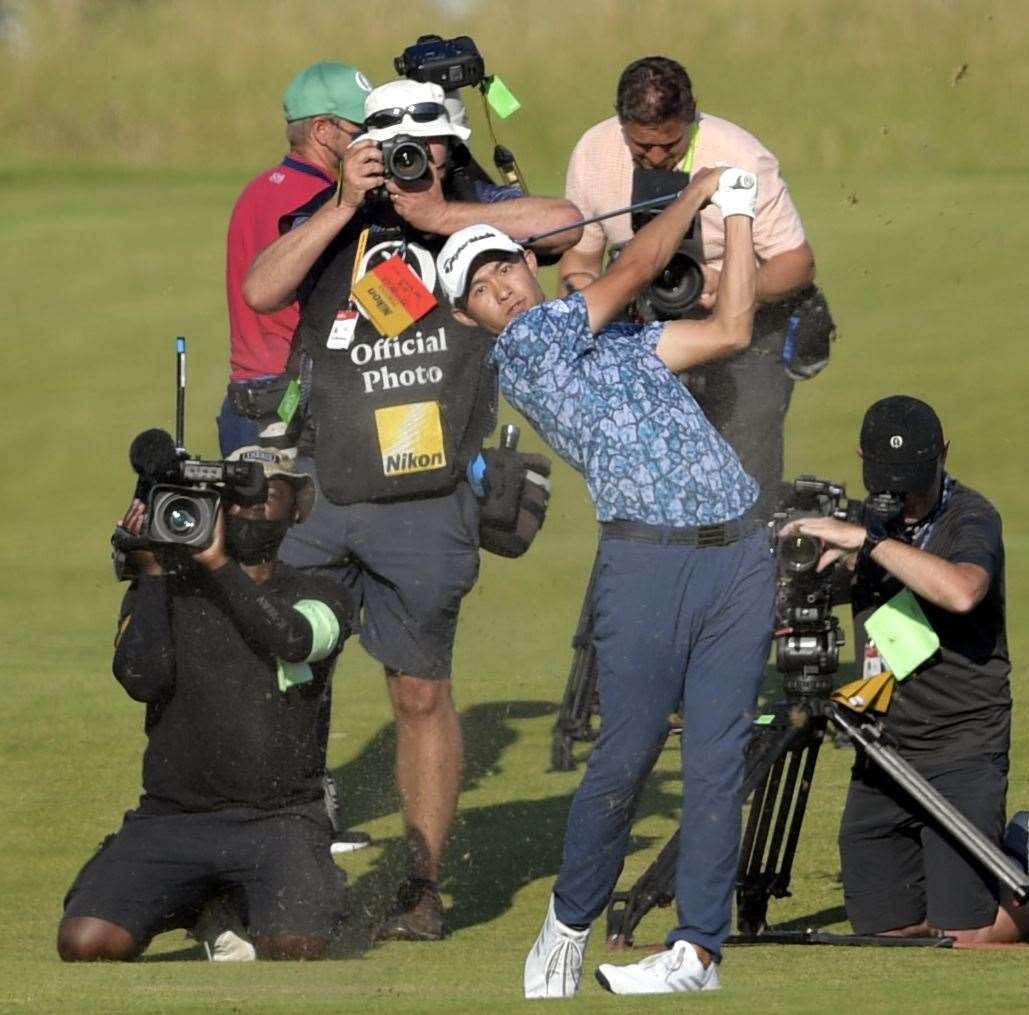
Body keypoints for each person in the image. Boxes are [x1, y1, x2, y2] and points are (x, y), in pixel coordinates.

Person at [240, 76, 582, 942]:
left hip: (426, 501)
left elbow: (569, 221)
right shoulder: (334, 214)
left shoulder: (479, 214)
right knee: (290, 676)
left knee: (421, 693)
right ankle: (287, 859)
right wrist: (347, 200)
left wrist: (437, 217)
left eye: (425, 146)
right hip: (324, 485)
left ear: (452, 146)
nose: (408, 160)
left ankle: (421, 884)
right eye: (390, 143)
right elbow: (262, 291)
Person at [438, 165, 773, 995]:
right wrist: (695, 191)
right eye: (480, 289)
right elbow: (630, 271)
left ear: (529, 262)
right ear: (466, 315)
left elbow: (730, 328)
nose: (502, 291)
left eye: (506, 268)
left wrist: (733, 213)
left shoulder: (616, 344)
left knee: (718, 760)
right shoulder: (526, 348)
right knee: (623, 759)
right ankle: (568, 923)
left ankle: (696, 951)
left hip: (738, 551)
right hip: (647, 562)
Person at [781, 396, 1029, 945]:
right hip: (883, 749)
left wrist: (872, 543)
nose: (902, 497)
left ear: (944, 454)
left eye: (913, 481)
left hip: (962, 744)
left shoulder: (970, 516)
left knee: (966, 934)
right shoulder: (858, 521)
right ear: (862, 459)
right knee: (888, 930)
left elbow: (960, 592)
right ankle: (1014, 857)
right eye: (888, 482)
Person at [58, 446, 353, 962]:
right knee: (85, 943)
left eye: (269, 494)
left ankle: (270, 890)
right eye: (237, 497)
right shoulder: (171, 589)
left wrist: (216, 564)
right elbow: (141, 680)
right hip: (171, 820)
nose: (252, 505)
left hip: (278, 820)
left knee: (295, 946)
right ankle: (202, 904)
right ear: (216, 506)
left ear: (298, 509)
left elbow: (291, 639)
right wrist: (150, 572)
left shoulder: (322, 593)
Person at [559, 55, 821, 513]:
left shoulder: (740, 156)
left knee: (745, 483)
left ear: (693, 114)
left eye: (671, 143)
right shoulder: (592, 154)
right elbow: (581, 256)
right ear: (619, 122)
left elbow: (796, 263)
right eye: (641, 147)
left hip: (746, 331)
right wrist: (591, 299)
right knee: (652, 487)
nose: (658, 157)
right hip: (642, 331)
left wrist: (734, 287)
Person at [221, 60, 369, 456]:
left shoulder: (255, 191)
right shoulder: (328, 205)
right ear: (322, 130)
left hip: (243, 402)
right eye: (361, 130)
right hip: (293, 403)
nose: (372, 141)